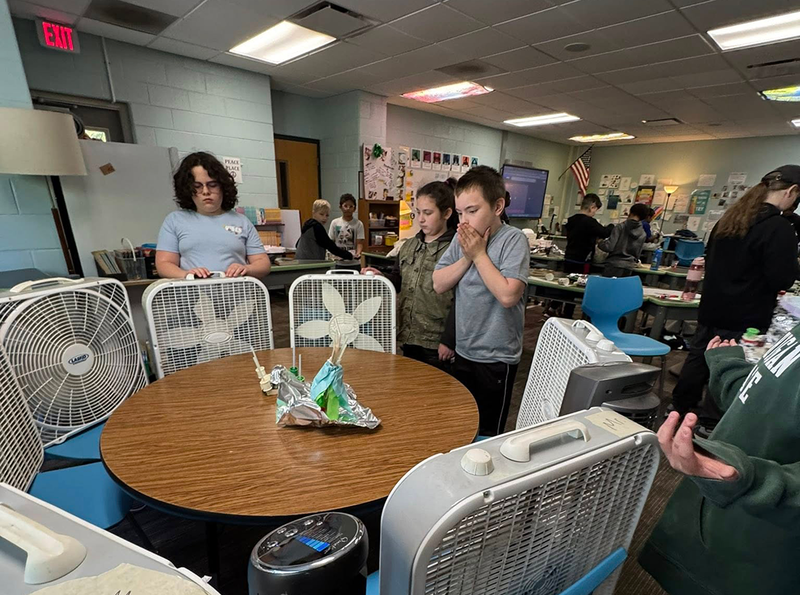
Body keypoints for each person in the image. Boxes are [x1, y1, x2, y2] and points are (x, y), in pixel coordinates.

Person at [640, 327, 800, 595]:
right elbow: (771, 399)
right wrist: (729, 369)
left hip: (758, 546)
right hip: (715, 519)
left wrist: (751, 481)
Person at [670, 166, 800, 417]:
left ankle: (679, 408)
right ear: (792, 191)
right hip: (746, 313)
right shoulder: (778, 227)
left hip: (713, 306)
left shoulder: (729, 219)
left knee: (699, 358)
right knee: (731, 366)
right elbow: (781, 278)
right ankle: (712, 420)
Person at [432, 166, 529, 436]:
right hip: (464, 350)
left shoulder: (513, 240)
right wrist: (467, 254)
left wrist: (478, 254)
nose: (464, 220)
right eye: (461, 212)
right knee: (462, 424)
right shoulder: (463, 238)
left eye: (472, 211)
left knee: (488, 432)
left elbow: (509, 295)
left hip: (497, 357)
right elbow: (438, 283)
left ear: (498, 206)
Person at [362, 180, 457, 370]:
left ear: (446, 213)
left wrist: (449, 339)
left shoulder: (456, 250)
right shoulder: (409, 246)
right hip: (408, 335)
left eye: (428, 213)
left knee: (434, 389)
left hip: (436, 341)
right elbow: (398, 281)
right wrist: (381, 277)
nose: (420, 219)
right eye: (418, 212)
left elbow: (462, 300)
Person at [156, 152, 271, 279]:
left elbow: (263, 263)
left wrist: (246, 268)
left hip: (237, 295)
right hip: (192, 296)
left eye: (212, 185)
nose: (206, 192)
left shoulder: (241, 221)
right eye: (197, 186)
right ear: (188, 190)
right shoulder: (175, 220)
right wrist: (188, 275)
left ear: (223, 186)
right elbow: (164, 264)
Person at [560, 193, 612, 317]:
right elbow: (604, 232)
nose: (595, 213)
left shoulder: (571, 220)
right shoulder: (589, 222)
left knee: (567, 286)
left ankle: (559, 309)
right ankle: (571, 314)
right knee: (578, 287)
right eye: (595, 210)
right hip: (582, 260)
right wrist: (612, 226)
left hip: (569, 256)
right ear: (592, 207)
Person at [598, 202, 649, 277]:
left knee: (608, 287)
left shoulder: (620, 227)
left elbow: (609, 246)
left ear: (631, 213)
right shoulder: (643, 233)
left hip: (614, 264)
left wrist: (600, 242)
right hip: (629, 266)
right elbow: (637, 254)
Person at [328, 193, 365, 258]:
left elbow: (359, 243)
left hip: (352, 258)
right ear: (340, 207)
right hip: (338, 258)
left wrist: (358, 254)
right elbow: (331, 241)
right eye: (345, 206)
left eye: (351, 206)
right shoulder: (335, 222)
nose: (348, 209)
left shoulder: (359, 224)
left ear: (354, 209)